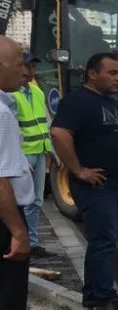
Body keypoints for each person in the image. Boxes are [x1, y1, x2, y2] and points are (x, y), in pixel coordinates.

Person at [51, 53, 118, 310]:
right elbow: (59, 133)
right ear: (91, 74)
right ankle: (102, 298)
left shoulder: (116, 102)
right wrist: (78, 170)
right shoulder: (78, 101)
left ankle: (96, 292)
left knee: (107, 241)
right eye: (112, 73)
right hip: (97, 186)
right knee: (103, 241)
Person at [0, 36, 54, 310]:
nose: (25, 70)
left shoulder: (9, 104)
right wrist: (19, 232)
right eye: (19, 62)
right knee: (7, 308)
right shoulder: (1, 114)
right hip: (4, 224)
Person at [14, 52, 54, 257]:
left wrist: (52, 151)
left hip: (39, 153)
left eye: (33, 68)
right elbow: (11, 130)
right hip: (24, 156)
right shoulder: (12, 95)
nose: (31, 72)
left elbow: (44, 123)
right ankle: (20, 240)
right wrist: (19, 158)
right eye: (28, 67)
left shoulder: (37, 93)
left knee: (36, 201)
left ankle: (32, 242)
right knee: (20, 201)